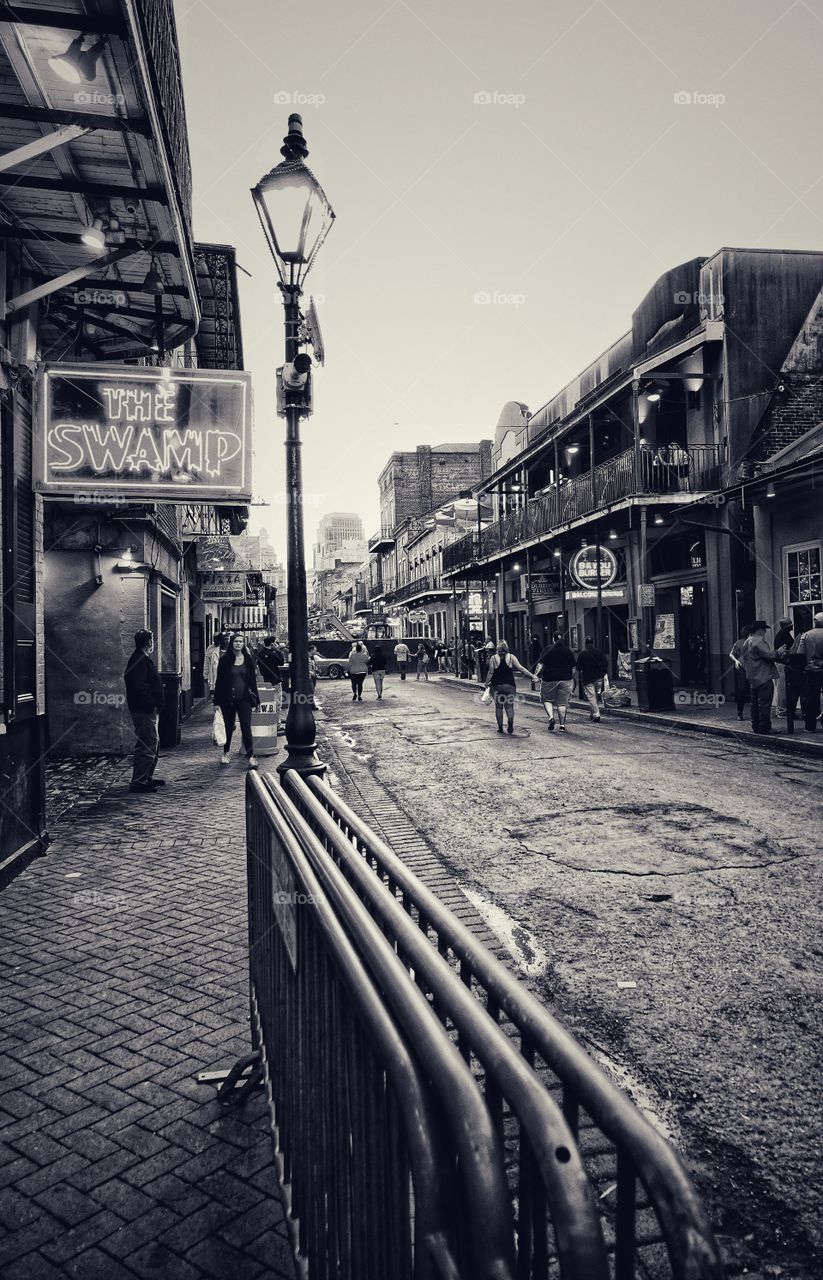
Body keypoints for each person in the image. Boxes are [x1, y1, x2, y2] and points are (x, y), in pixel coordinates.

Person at [124, 629, 165, 794]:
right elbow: (139, 686)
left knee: (152, 743)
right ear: (149, 642)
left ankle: (146, 777)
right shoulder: (139, 660)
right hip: (144, 710)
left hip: (146, 709)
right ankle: (139, 781)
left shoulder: (141, 659)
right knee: (147, 743)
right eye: (152, 640)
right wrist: (151, 705)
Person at [214, 632, 260, 767]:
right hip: (227, 699)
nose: (238, 644)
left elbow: (253, 681)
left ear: (243, 643)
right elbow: (219, 682)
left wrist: (256, 699)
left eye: (240, 641)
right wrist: (216, 702)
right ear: (231, 643)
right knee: (228, 727)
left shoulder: (248, 659)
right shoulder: (224, 660)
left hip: (244, 698)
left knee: (246, 727)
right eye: (236, 642)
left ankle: (251, 756)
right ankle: (226, 752)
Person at [483, 640, 534, 735]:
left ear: (497, 649)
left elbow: (490, 672)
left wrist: (486, 683)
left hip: (496, 686)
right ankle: (510, 724)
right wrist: (532, 676)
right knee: (509, 706)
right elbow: (521, 668)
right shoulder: (511, 657)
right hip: (509, 686)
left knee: (498, 707)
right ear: (506, 648)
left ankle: (500, 728)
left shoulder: (493, 659)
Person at [741, 621, 778, 735]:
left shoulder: (747, 641)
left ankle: (756, 726)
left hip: (753, 678)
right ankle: (764, 728)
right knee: (764, 704)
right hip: (763, 676)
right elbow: (769, 655)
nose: (765, 631)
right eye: (764, 629)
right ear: (760, 630)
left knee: (755, 704)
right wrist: (778, 652)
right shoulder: (757, 640)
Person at [535, 633, 577, 732]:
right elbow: (573, 668)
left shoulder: (547, 649)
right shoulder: (568, 651)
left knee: (547, 699)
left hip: (549, 678)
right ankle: (562, 725)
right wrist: (572, 678)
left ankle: (551, 717)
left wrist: (535, 675)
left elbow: (540, 663)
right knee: (562, 703)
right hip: (566, 679)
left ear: (553, 639)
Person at [795, 611, 823, 732]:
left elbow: (800, 654)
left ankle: (810, 725)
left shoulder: (806, 635)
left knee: (812, 697)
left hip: (811, 670)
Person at [256, 636, 285, 738]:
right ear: (272, 644)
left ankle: (270, 722)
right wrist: (278, 650)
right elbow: (281, 662)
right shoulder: (273, 654)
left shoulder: (260, 654)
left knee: (268, 704)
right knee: (277, 704)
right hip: (275, 681)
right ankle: (277, 725)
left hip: (265, 682)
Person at [577, 636, 608, 722]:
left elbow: (578, 667)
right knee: (595, 697)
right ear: (593, 643)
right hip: (598, 678)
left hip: (588, 679)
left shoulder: (583, 654)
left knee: (591, 697)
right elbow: (605, 663)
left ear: (585, 644)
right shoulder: (599, 652)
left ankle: (596, 715)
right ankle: (592, 714)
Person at [772, 616, 793, 717]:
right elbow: (782, 652)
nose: (791, 625)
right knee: (782, 688)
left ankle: (783, 710)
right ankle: (781, 711)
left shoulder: (784, 634)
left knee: (782, 688)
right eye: (789, 624)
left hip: (782, 663)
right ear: (784, 625)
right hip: (782, 664)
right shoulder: (783, 635)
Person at [729, 625, 751, 721]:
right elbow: (731, 654)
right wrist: (736, 661)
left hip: (748, 668)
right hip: (743, 668)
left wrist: (736, 661)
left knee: (744, 690)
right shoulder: (740, 643)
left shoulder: (750, 642)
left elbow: (731, 654)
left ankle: (740, 713)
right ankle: (740, 712)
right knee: (742, 690)